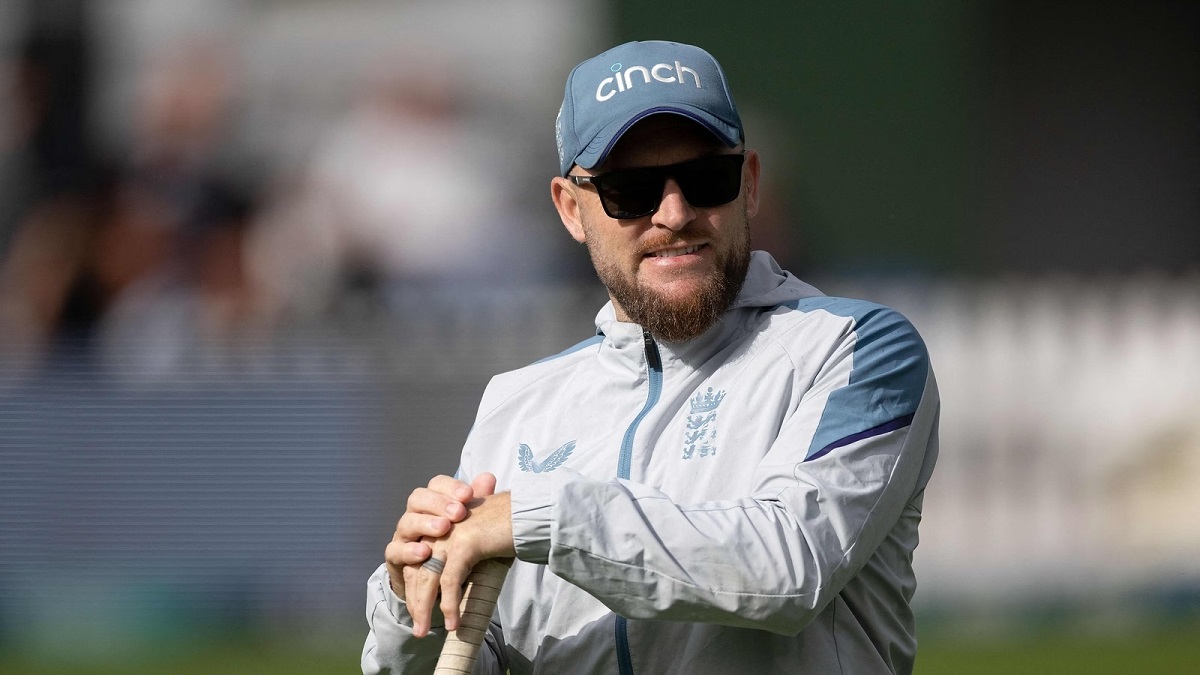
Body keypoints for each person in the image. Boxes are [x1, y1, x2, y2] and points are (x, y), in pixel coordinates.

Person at [362, 40, 939, 675]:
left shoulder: (854, 346)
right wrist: (410, 604)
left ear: (749, 185)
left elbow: (788, 568)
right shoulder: (516, 404)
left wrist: (538, 516)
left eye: (706, 179)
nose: (675, 213)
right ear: (571, 209)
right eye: (630, 190)